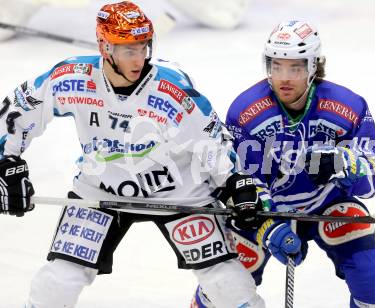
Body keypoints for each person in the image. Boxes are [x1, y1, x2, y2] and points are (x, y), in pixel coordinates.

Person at [0, 1, 267, 307]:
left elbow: (211, 138)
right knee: (57, 282)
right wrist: (6, 162)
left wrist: (235, 182)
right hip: (101, 188)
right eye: (129, 50)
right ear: (105, 47)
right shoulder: (72, 78)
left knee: (225, 283)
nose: (139, 58)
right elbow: (17, 111)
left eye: (144, 47)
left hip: (177, 192)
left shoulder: (171, 87)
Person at [192, 20, 375, 307]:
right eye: (276, 66)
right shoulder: (247, 111)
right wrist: (269, 225)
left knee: (373, 276)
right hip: (264, 213)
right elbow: (241, 180)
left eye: (295, 68)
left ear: (313, 67)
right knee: (221, 289)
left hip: (326, 205)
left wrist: (346, 163)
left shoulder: (346, 107)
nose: (284, 77)